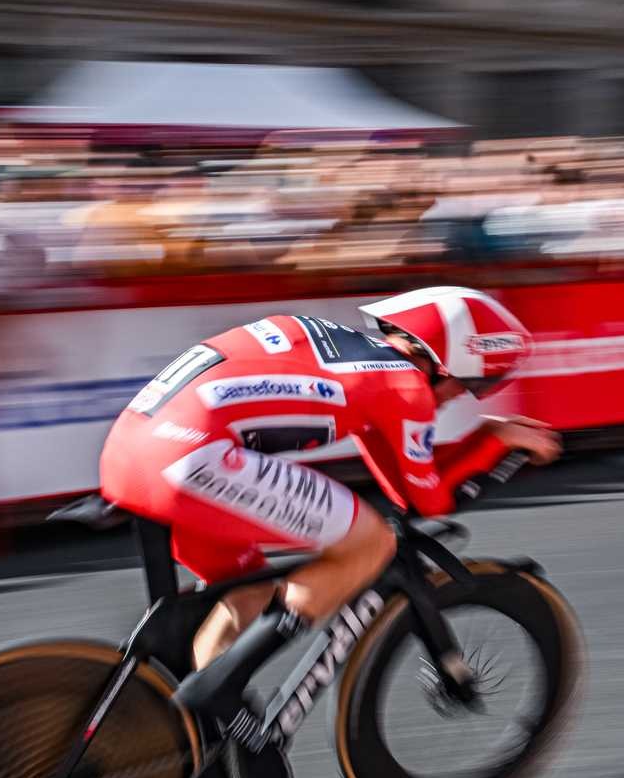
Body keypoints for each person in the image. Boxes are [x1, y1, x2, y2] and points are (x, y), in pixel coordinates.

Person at [98, 286, 561, 741]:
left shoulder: (358, 358)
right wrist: (494, 442)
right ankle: (215, 693)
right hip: (190, 460)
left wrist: (482, 442)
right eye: (475, 383)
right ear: (446, 362)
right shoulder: (405, 385)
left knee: (250, 594)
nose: (467, 398)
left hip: (131, 453)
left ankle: (201, 736)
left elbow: (403, 486)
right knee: (371, 542)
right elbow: (428, 499)